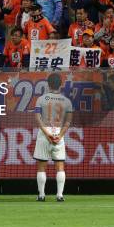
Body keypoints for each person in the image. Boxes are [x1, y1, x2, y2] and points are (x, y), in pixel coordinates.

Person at [34, 73, 73, 202]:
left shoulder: (41, 99)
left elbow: (38, 118)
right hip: (58, 133)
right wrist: (59, 135)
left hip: (44, 133)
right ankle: (60, 195)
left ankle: (41, 195)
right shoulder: (67, 101)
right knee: (60, 166)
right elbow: (68, 122)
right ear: (61, 84)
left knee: (41, 166)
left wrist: (46, 133)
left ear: (48, 84)